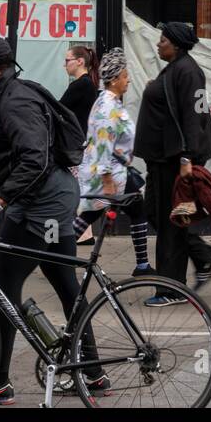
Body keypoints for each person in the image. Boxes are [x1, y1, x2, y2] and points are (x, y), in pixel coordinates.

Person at [0, 34, 108, 405]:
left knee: (2, 287)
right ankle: (93, 372)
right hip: (43, 197)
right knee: (64, 282)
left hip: (43, 202)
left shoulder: (15, 100)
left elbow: (33, 158)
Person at [133, 21, 211, 307]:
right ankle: (203, 257)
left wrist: (188, 158)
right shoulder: (174, 68)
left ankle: (170, 289)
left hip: (174, 160)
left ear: (177, 44)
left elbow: (193, 118)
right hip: (160, 159)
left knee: (170, 224)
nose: (158, 44)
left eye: (163, 40)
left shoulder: (189, 71)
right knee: (157, 215)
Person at [73, 48, 151, 275]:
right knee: (136, 211)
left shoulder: (110, 102)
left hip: (110, 171)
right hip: (110, 173)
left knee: (89, 215)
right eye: (126, 76)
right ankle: (142, 265)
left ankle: (57, 252)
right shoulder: (108, 106)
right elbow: (104, 143)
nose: (129, 80)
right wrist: (107, 179)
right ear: (115, 79)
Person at [59, 45, 99, 134]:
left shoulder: (81, 84)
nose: (64, 65)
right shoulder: (87, 82)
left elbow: (58, 108)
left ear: (80, 61)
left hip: (77, 139)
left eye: (67, 60)